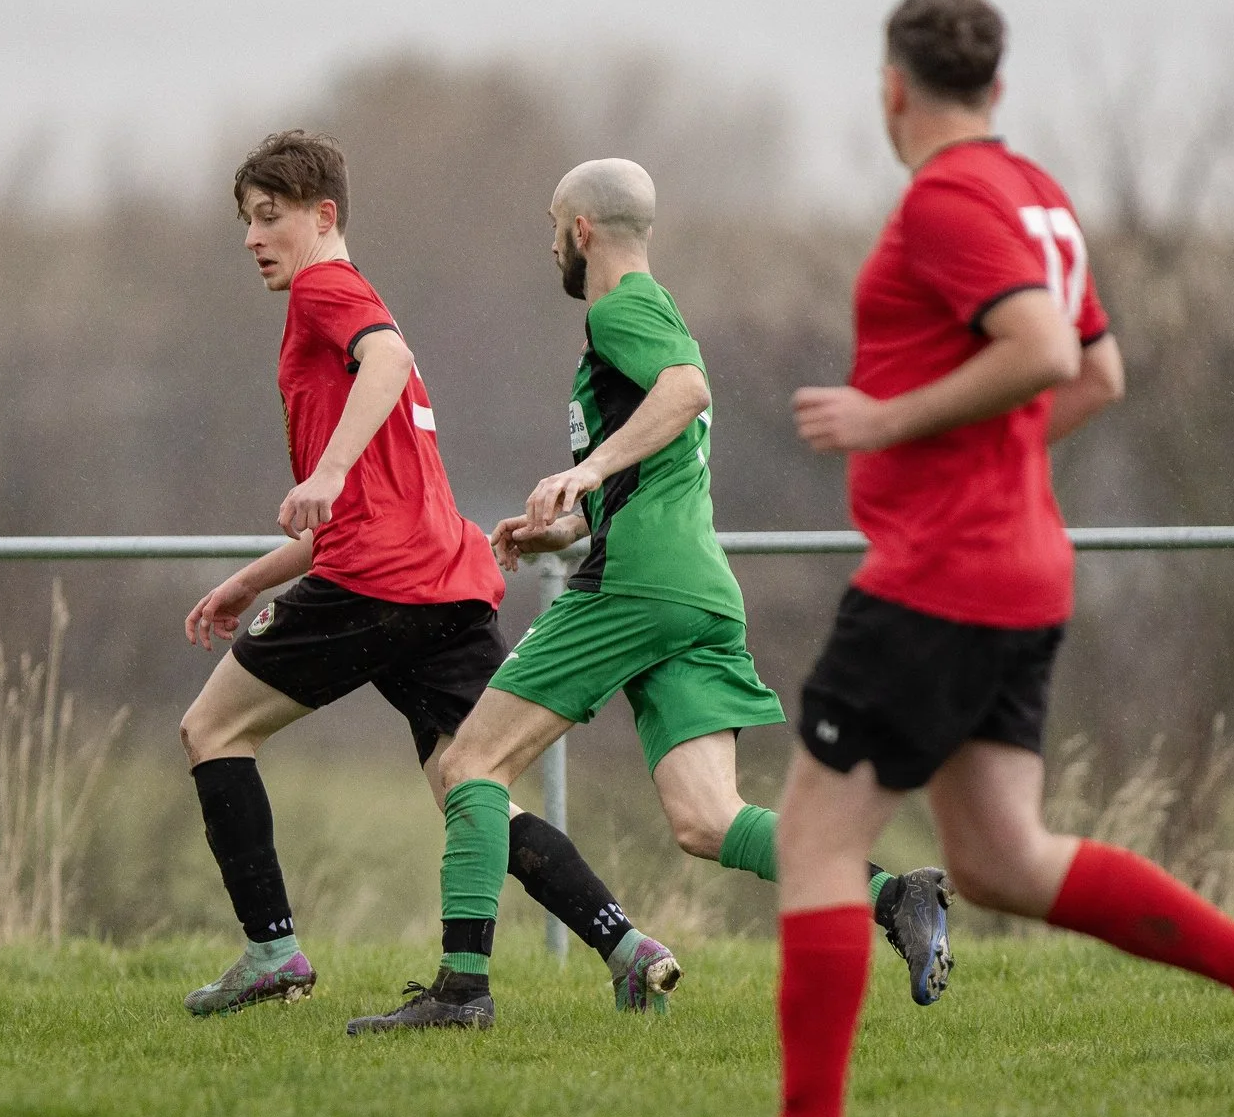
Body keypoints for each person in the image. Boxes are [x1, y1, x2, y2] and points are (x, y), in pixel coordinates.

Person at [752, 0, 1234, 1117]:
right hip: (1020, 566)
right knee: (1001, 857)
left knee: (818, 838)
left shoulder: (949, 199)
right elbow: (1099, 375)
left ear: (891, 89)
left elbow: (1043, 352)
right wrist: (974, 444)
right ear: (997, 88)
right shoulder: (1035, 194)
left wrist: (889, 425)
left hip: (941, 575)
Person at [348, 160, 952, 1034]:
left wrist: (590, 465)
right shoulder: (656, 311)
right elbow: (660, 463)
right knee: (709, 821)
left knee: (469, 766)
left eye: (553, 224)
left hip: (638, 586)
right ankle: (896, 895)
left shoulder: (619, 308)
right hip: (697, 592)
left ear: (582, 231)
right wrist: (560, 523)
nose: (550, 240)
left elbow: (686, 391)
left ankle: (460, 990)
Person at [177, 130, 654, 1015]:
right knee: (469, 786)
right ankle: (626, 947)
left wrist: (320, 473)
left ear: (324, 216)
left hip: (378, 583)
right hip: (442, 580)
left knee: (212, 731)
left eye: (269, 216)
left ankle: (271, 951)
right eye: (246, 220)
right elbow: (368, 502)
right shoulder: (343, 305)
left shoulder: (328, 291)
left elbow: (386, 364)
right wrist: (255, 577)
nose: (252, 237)